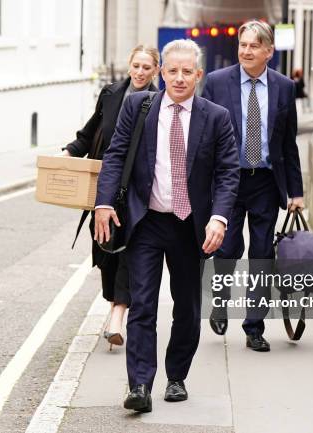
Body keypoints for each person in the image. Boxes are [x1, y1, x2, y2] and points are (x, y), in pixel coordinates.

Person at [94, 39, 239, 413]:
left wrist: (219, 218)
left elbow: (227, 173)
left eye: (186, 72)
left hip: (190, 226)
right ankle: (140, 384)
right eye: (171, 71)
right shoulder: (138, 107)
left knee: (187, 307)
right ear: (162, 73)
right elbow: (115, 155)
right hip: (147, 221)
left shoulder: (216, 117)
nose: (178, 78)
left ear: (198, 76)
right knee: (142, 304)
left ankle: (176, 376)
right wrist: (104, 202)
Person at [202, 20, 304, 351]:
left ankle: (254, 326)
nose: (246, 51)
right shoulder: (217, 83)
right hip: (227, 180)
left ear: (268, 52)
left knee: (262, 254)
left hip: (264, 181)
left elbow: (289, 145)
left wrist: (296, 192)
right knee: (228, 249)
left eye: (253, 46)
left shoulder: (285, 87)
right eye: (243, 45)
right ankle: (220, 301)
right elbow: (202, 137)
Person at [63, 45, 160, 350]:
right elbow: (89, 133)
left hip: (137, 190)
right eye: (137, 66)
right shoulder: (111, 93)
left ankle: (118, 314)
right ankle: (114, 306)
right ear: (129, 66)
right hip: (106, 187)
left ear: (156, 70)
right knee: (106, 250)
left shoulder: (158, 101)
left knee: (130, 249)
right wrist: (67, 155)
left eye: (147, 67)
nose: (141, 72)